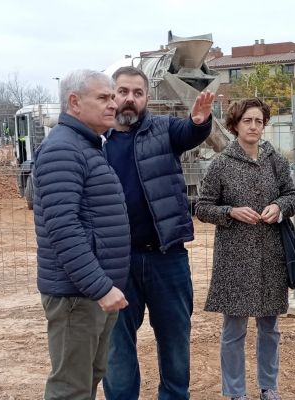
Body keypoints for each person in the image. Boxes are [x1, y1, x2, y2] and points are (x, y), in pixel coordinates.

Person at [101, 66, 214, 400]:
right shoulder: (97, 141)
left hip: (167, 258)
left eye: (138, 93)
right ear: (112, 94)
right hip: (117, 263)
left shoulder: (164, 129)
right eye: (123, 91)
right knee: (117, 352)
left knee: (175, 344)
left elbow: (190, 133)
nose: (130, 99)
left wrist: (199, 122)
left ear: (147, 98)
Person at [33, 69, 130, 400]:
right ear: (74, 102)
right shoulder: (63, 149)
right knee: (70, 389)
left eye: (113, 97)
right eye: (103, 98)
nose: (113, 104)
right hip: (77, 295)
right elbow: (63, 229)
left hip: (90, 292)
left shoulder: (86, 145)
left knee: (88, 378)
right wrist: (100, 287)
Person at [195, 98, 295, 400]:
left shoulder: (275, 160)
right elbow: (202, 207)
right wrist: (230, 212)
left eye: (258, 121)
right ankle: (235, 391)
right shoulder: (221, 164)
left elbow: (292, 196)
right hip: (235, 259)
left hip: (271, 258)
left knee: (270, 328)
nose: (254, 126)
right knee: (234, 331)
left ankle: (269, 387)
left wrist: (278, 207)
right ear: (235, 125)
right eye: (247, 121)